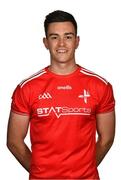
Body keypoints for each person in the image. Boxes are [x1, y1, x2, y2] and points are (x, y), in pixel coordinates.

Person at [7, 10, 115, 179]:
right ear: (45, 42)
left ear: (77, 41)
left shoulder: (100, 86)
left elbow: (107, 138)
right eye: (54, 37)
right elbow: (14, 142)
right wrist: (41, 172)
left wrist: (84, 170)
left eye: (68, 36)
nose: (62, 44)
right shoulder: (27, 88)